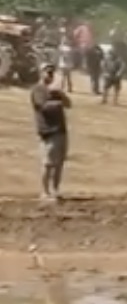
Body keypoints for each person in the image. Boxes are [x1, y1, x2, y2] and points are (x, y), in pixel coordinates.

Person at [30, 63, 72, 202]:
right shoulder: (38, 89)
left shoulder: (55, 91)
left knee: (59, 164)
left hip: (60, 129)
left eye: (51, 73)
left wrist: (61, 94)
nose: (50, 75)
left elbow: (69, 104)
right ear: (41, 73)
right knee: (48, 164)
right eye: (47, 72)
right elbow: (43, 107)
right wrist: (58, 102)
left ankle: (55, 190)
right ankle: (44, 192)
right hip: (48, 131)